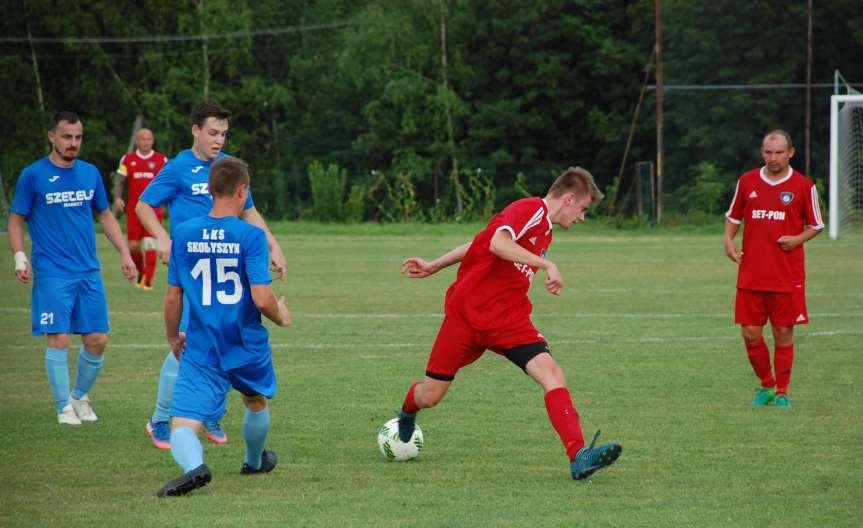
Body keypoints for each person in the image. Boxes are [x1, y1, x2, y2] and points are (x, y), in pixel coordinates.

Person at [394, 167, 622, 480]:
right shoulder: (529, 209)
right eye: (583, 208)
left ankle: (578, 456)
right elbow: (495, 244)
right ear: (569, 198)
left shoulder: (545, 229)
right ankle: (407, 411)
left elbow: (479, 241)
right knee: (430, 395)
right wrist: (547, 263)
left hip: (508, 320)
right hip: (467, 315)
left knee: (552, 373)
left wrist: (434, 265)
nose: (582, 217)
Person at [136, 101, 287, 449]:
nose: (218, 140)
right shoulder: (178, 168)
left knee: (221, 339)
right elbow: (144, 205)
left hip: (226, 268)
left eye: (223, 133)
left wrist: (273, 245)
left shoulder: (228, 167)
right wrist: (162, 238)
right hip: (194, 273)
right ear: (195, 130)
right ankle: (160, 418)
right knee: (187, 342)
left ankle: (207, 412)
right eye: (212, 133)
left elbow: (249, 211)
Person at [156, 157, 291, 497]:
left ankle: (194, 467)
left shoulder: (184, 233)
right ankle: (253, 460)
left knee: (184, 423)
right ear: (243, 191)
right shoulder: (250, 235)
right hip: (245, 342)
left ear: (211, 189)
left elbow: (173, 298)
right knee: (256, 400)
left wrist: (174, 336)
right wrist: (282, 316)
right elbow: (262, 299)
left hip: (202, 342)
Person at [8, 111, 137, 424]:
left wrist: (124, 253)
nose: (73, 143)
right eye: (67, 137)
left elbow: (104, 215)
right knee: (60, 337)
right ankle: (63, 407)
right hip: (52, 270)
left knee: (98, 339)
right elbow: (16, 218)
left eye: (78, 137)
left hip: (88, 270)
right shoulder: (33, 175)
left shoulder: (90, 173)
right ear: (52, 136)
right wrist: (19, 256)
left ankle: (79, 397)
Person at [724, 130, 824, 409]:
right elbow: (733, 216)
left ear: (790, 153)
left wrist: (797, 239)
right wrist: (728, 240)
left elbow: (816, 224)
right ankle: (766, 384)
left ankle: (782, 391)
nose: (773, 158)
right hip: (751, 273)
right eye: (768, 152)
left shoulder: (804, 186)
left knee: (783, 333)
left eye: (779, 152)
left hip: (786, 276)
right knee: (750, 333)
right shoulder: (747, 181)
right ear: (762, 152)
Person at [112, 128, 168, 290]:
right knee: (134, 246)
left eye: (149, 139)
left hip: (154, 210)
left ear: (153, 141)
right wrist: (117, 197)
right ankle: (142, 274)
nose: (145, 142)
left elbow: (168, 183)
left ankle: (147, 282)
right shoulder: (128, 159)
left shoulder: (161, 160)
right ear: (137, 141)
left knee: (151, 244)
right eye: (142, 139)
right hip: (134, 210)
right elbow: (120, 180)